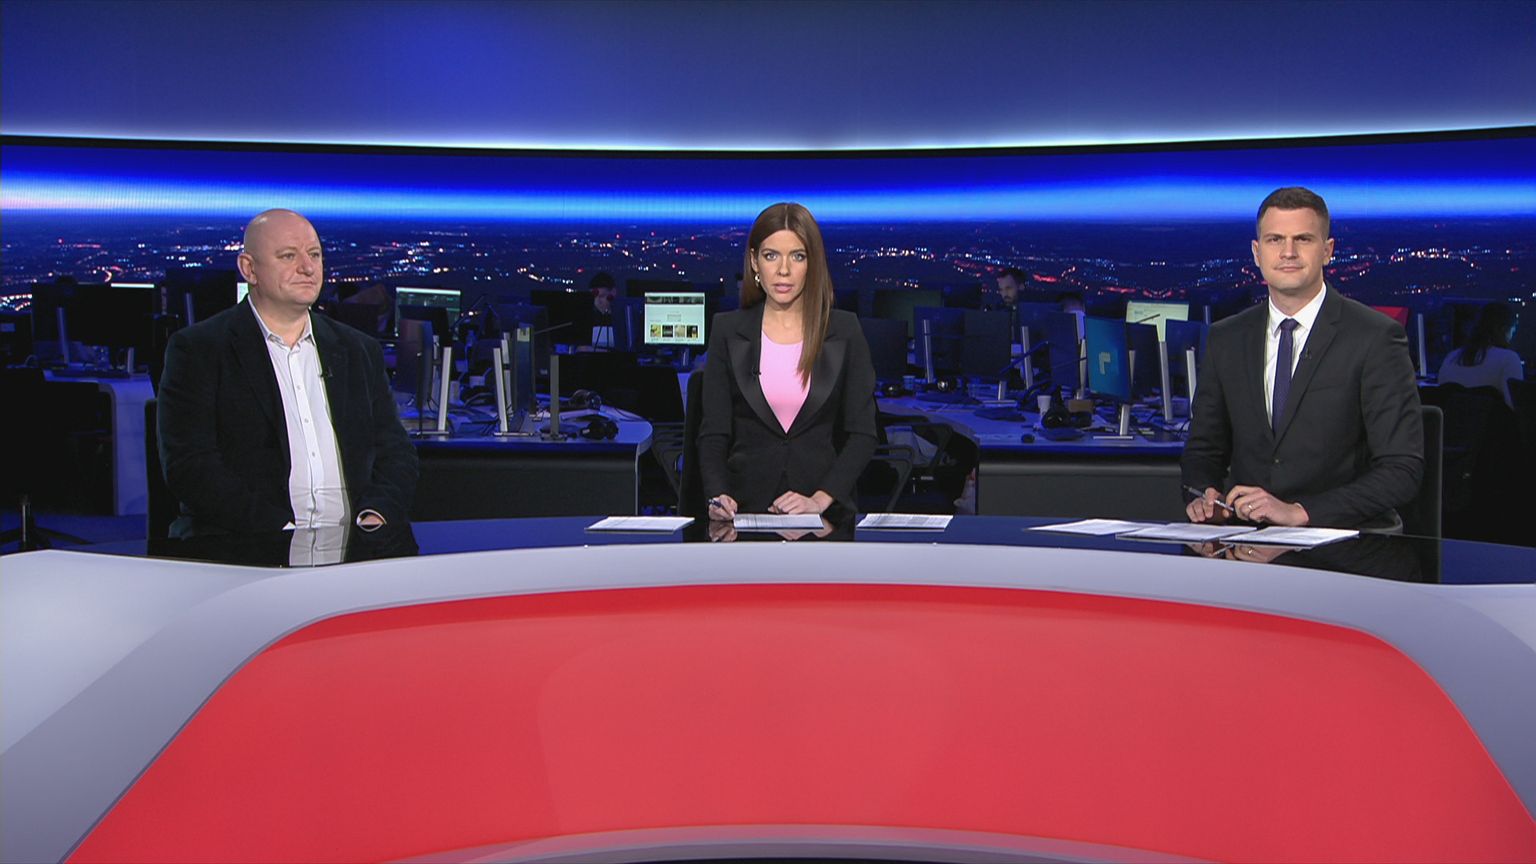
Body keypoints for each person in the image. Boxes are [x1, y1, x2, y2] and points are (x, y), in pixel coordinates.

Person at [158, 209, 418, 537]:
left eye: (314, 255)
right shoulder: (200, 349)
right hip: (249, 543)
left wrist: (375, 515)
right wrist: (281, 532)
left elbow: (395, 451)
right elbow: (191, 466)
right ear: (249, 269)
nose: (307, 267)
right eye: (288, 256)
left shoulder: (358, 350)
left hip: (356, 543)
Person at [1182, 187, 1422, 530]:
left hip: (1344, 540)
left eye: (1303, 239)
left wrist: (1300, 512)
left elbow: (1402, 469)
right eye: (1275, 240)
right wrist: (1205, 496)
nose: (1288, 252)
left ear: (1327, 251)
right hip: (1248, 540)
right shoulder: (1226, 338)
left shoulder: (1375, 337)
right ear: (1257, 252)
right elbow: (1203, 450)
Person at [698, 202, 877, 519]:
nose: (784, 270)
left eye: (797, 256)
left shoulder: (844, 330)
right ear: (754, 261)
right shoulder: (727, 330)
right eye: (771, 256)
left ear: (813, 263)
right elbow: (713, 432)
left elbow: (862, 434)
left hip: (824, 513)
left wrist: (819, 500)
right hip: (744, 511)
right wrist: (717, 495)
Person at [1437, 302, 1524, 406]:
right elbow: (1515, 406)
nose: (1511, 338)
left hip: (1451, 417)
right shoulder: (1509, 360)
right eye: (1512, 332)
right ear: (1503, 330)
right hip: (1492, 417)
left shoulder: (1451, 358)